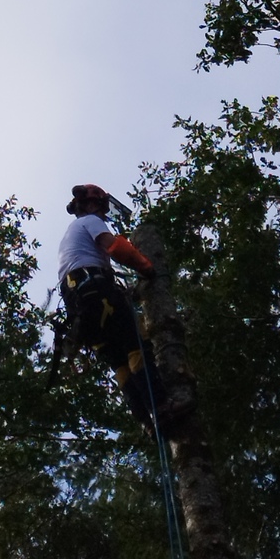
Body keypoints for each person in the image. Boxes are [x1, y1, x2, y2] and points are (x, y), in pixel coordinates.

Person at [58, 183, 163, 429]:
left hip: (80, 304)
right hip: (94, 291)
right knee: (136, 346)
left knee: (119, 363)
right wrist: (147, 268)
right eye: (103, 208)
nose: (105, 214)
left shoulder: (72, 235)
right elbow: (115, 247)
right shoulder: (90, 222)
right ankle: (161, 406)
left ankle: (146, 423)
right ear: (94, 204)